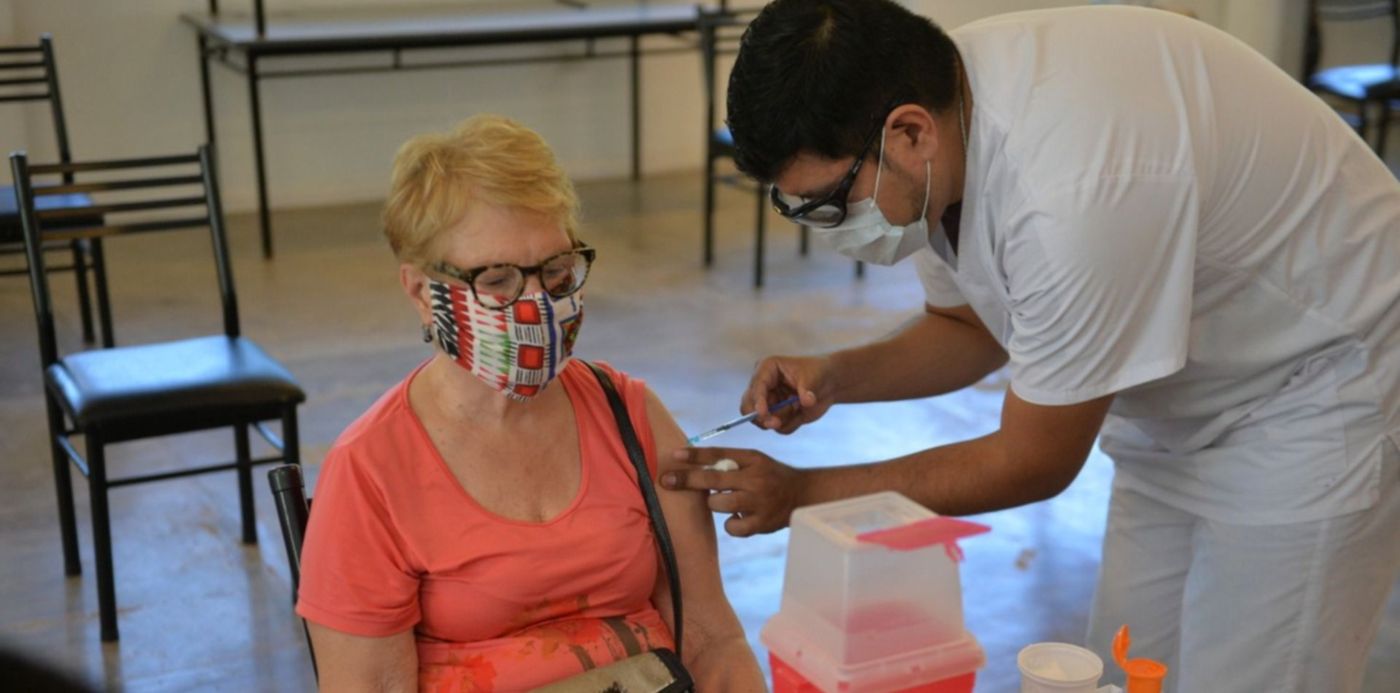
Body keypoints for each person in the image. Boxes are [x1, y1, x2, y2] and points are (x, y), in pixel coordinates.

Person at [660, 2, 1400, 692]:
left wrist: (805, 493)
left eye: (829, 204)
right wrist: (836, 375)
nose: (828, 228)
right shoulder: (932, 145)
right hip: (1183, 398)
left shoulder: (1070, 190)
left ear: (910, 133)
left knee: (1253, 671)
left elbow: (1034, 459)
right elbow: (971, 327)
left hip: (1317, 388)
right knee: (1131, 662)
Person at [295, 115, 764, 691]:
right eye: (497, 279)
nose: (538, 304)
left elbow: (712, 640)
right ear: (421, 292)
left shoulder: (631, 416)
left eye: (557, 270)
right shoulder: (371, 470)